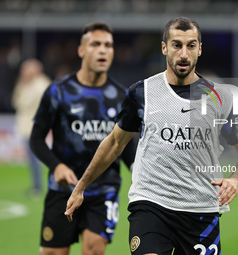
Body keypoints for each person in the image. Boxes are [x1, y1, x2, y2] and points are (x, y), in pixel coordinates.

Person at [65, 17, 238, 255]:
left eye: (191, 45)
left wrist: (237, 180)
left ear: (200, 49)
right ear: (164, 47)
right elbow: (115, 143)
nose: (184, 54)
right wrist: (81, 186)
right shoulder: (141, 93)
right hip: (151, 204)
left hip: (201, 209)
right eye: (177, 45)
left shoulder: (221, 98)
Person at [29, 22, 136, 255]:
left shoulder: (122, 98)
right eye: (95, 44)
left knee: (93, 250)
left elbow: (127, 149)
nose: (102, 50)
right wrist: (56, 166)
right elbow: (36, 139)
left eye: (108, 45)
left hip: (103, 190)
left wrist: (143, 176)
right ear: (81, 51)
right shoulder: (57, 92)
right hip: (62, 189)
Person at [12, 58, 51, 198]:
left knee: (35, 158)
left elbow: (25, 103)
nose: (22, 72)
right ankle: (37, 186)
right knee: (33, 158)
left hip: (34, 126)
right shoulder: (27, 84)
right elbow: (16, 102)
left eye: (25, 69)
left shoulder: (41, 84)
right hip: (26, 126)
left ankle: (38, 187)